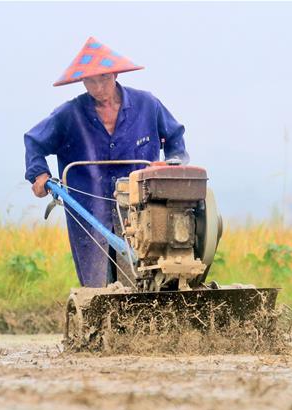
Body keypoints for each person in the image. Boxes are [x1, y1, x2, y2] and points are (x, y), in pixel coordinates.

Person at [24, 37, 189, 287]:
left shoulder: (147, 105)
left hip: (139, 207)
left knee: (141, 276)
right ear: (82, 82)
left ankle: (141, 319)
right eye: (91, 81)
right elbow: (34, 141)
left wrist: (173, 165)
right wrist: (39, 175)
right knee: (96, 283)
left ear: (115, 75)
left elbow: (175, 137)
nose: (98, 87)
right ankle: (99, 322)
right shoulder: (69, 115)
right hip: (88, 207)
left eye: (103, 79)